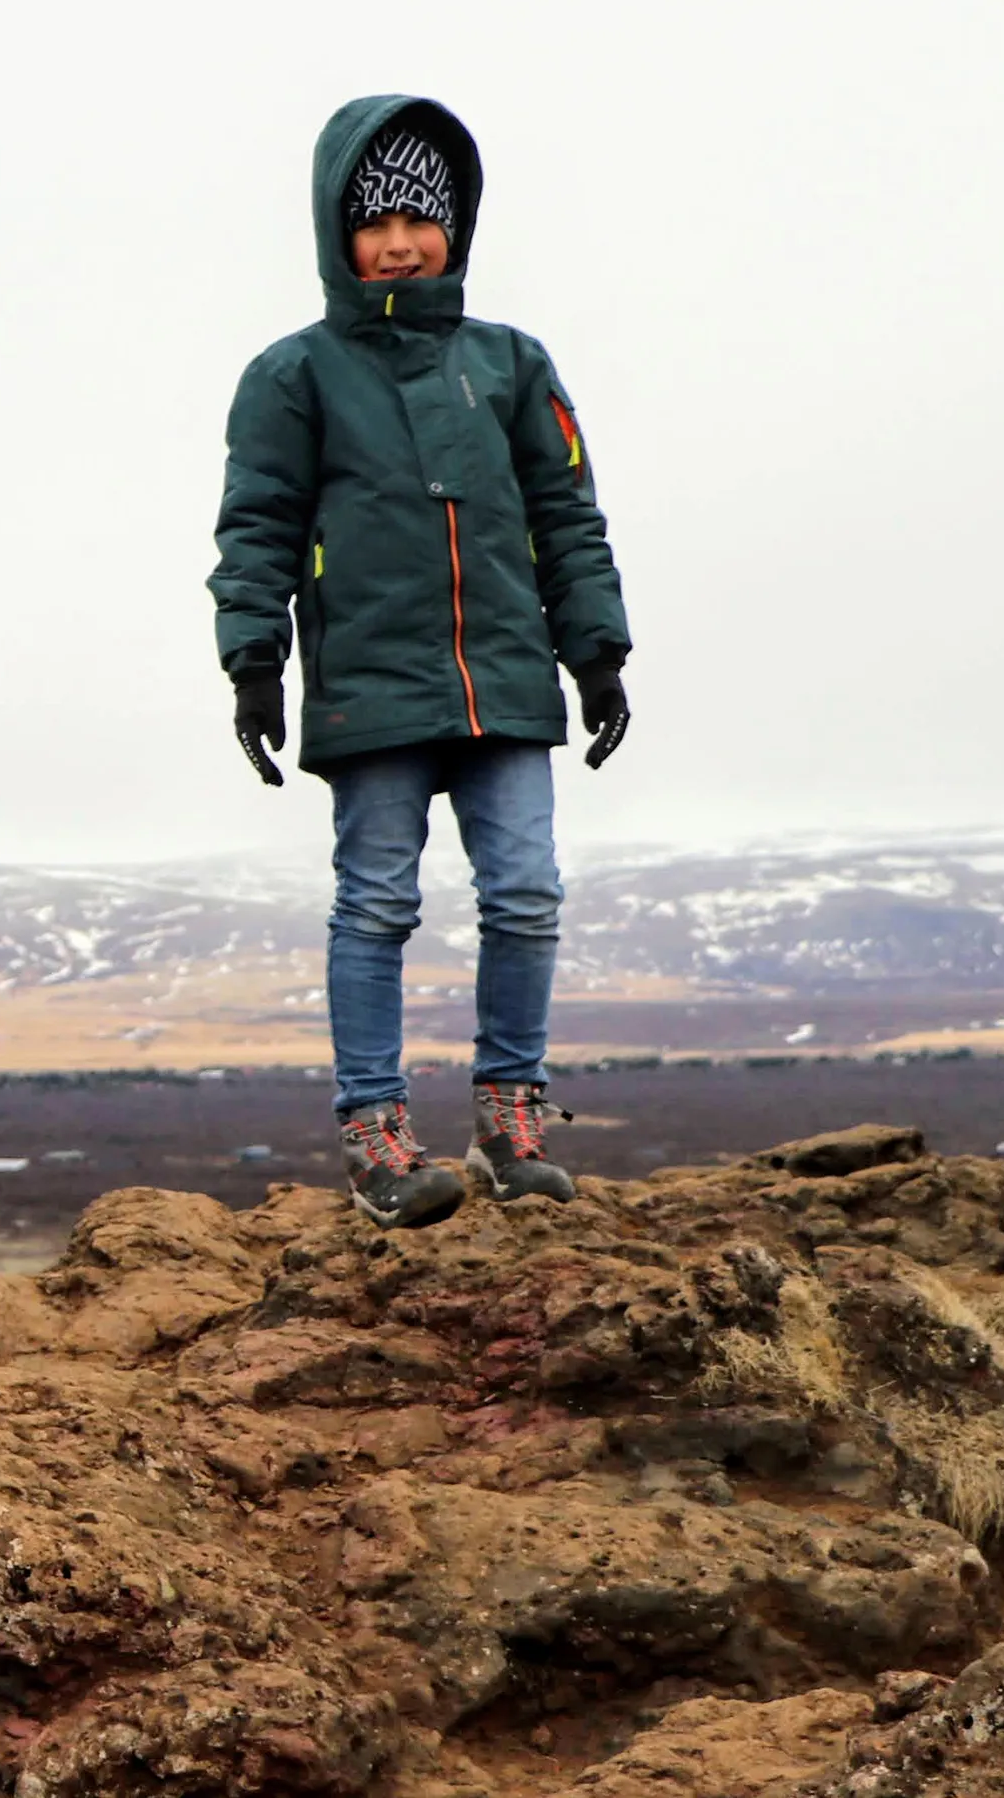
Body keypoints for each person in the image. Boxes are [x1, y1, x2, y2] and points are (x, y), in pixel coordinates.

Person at [207, 95, 632, 1228]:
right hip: (370, 686)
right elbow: (257, 524)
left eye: (419, 219)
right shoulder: (294, 375)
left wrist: (595, 650)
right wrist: (253, 659)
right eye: (373, 221)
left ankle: (510, 1116)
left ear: (456, 227)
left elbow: (567, 512)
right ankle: (377, 1135)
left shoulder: (509, 362)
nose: (399, 242)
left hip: (503, 677)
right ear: (335, 235)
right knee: (377, 905)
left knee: (529, 895)